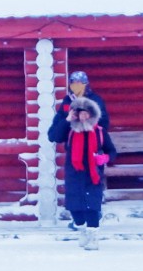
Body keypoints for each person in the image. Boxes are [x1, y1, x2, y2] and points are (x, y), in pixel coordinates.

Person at [46, 94, 116, 235]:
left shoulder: (99, 132)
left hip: (93, 174)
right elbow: (54, 137)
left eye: (86, 114)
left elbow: (112, 151)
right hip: (74, 174)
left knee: (92, 208)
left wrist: (105, 158)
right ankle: (80, 227)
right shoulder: (70, 130)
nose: (83, 117)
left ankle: (92, 238)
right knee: (76, 210)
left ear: (91, 115)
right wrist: (66, 120)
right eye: (80, 114)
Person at [56, 70, 111, 135]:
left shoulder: (95, 100)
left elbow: (103, 120)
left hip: (90, 136)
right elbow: (60, 117)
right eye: (72, 82)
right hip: (71, 137)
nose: (75, 85)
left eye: (78, 82)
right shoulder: (67, 100)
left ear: (85, 84)